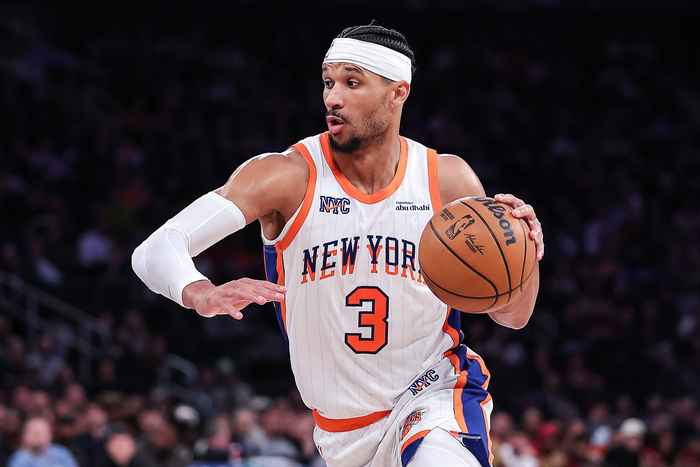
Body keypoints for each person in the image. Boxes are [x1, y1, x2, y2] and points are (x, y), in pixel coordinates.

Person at [132, 22, 544, 467]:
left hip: (434, 394)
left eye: (352, 82)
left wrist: (524, 248)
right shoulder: (286, 175)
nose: (333, 98)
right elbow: (156, 248)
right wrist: (200, 292)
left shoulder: (445, 179)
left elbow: (513, 315)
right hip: (340, 432)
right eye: (328, 82)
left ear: (398, 92)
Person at [8, 417, 79, 467]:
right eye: (33, 431)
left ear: (50, 435)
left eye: (41, 431)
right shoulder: (19, 459)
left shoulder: (61, 453)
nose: (37, 435)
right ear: (24, 436)